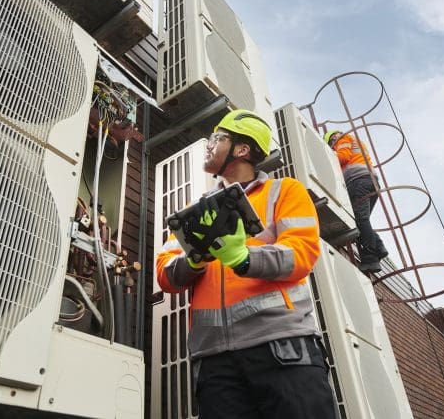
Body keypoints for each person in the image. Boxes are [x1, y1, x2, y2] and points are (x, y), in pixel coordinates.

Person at [157, 110, 337, 419]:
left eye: (217, 138)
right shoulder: (195, 210)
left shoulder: (284, 191)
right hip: (215, 360)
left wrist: (244, 259)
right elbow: (165, 274)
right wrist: (196, 258)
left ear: (242, 149)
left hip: (281, 345)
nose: (208, 144)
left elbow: (302, 253)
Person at [323, 129, 388, 272]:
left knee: (359, 218)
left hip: (358, 180)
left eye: (331, 145)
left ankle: (371, 258)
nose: (333, 146)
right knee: (361, 218)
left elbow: (343, 157)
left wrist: (326, 157)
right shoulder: (355, 141)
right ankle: (378, 246)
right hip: (370, 181)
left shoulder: (343, 139)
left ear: (333, 139)